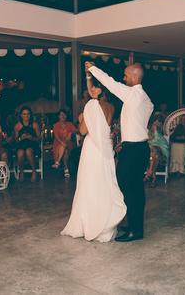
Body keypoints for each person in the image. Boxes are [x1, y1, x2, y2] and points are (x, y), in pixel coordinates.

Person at [86, 61, 153, 242]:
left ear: (134, 77)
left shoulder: (133, 94)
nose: (123, 78)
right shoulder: (146, 99)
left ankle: (135, 230)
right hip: (140, 148)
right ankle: (134, 225)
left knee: (128, 188)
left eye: (125, 75)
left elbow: (109, 82)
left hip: (133, 149)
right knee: (135, 189)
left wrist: (92, 68)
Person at [61, 71, 126, 242]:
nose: (88, 92)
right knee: (104, 184)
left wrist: (82, 118)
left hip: (92, 149)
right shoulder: (111, 107)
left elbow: (83, 131)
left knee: (89, 185)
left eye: (90, 89)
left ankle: (89, 223)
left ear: (97, 90)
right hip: (106, 148)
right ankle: (105, 223)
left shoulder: (91, 106)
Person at [13, 106, 41, 182]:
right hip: (21, 144)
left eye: (28, 114)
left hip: (32, 144)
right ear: (21, 115)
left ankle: (34, 171)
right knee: (20, 152)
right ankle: (21, 172)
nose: (26, 116)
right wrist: (20, 138)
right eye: (24, 114)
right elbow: (15, 140)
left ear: (30, 115)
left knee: (28, 151)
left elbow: (39, 139)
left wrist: (32, 138)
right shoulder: (17, 126)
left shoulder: (34, 125)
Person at [52, 109, 77, 178]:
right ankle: (66, 169)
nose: (63, 116)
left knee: (65, 147)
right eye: (61, 115)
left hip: (68, 143)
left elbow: (77, 131)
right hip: (58, 143)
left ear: (66, 116)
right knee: (64, 149)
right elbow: (56, 136)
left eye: (64, 114)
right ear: (58, 116)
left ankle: (57, 162)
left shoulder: (69, 124)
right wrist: (62, 142)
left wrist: (71, 133)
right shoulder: (56, 125)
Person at [145, 114, 169, 187]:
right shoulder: (147, 129)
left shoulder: (158, 130)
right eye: (157, 121)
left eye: (160, 122)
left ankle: (150, 174)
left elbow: (159, 141)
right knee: (153, 155)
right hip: (151, 153)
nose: (159, 123)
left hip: (161, 150)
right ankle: (152, 176)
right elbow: (147, 140)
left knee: (154, 151)